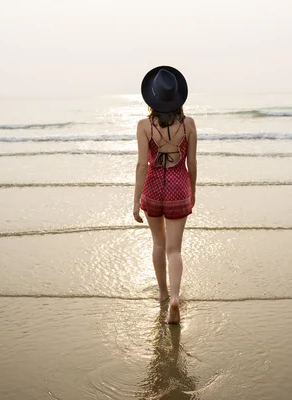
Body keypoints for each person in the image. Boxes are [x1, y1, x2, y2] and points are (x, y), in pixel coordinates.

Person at [133, 66, 198, 324]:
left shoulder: (143, 126)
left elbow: (141, 165)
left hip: (152, 187)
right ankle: (174, 297)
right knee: (174, 249)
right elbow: (192, 164)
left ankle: (161, 294)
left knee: (158, 244)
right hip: (178, 186)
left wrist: (135, 202)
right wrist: (192, 192)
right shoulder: (189, 124)